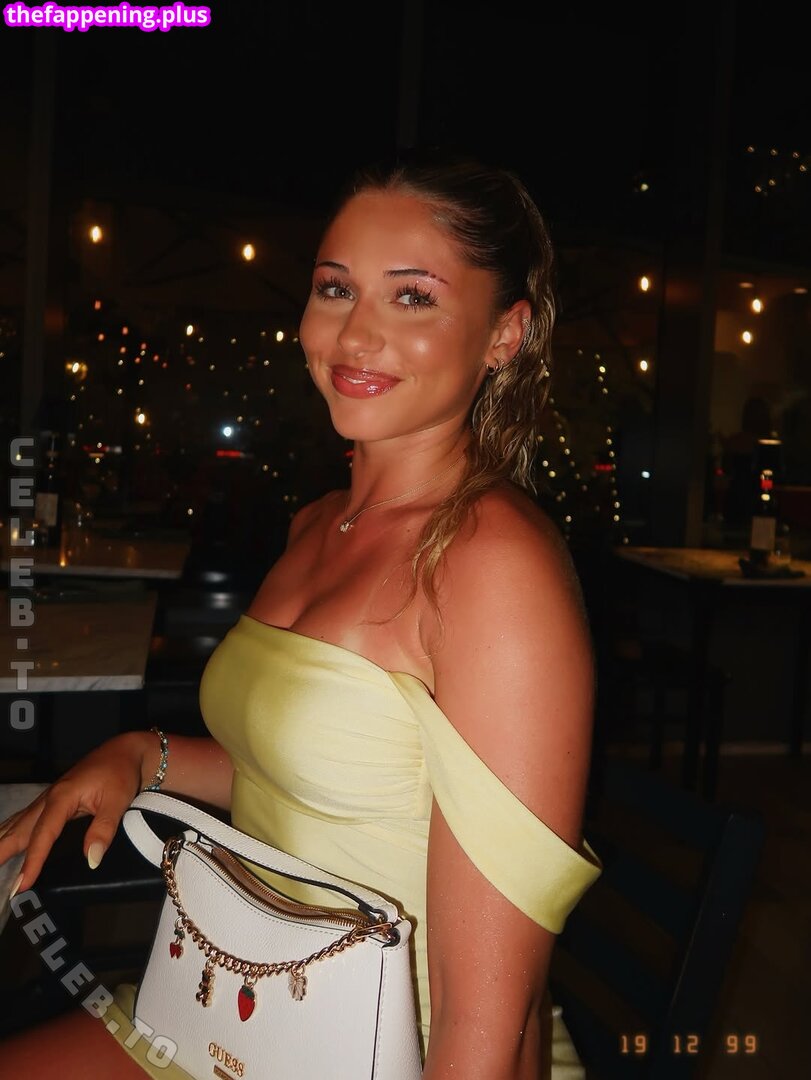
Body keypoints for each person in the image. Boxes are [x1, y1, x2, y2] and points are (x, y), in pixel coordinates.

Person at [0, 153, 602, 1079]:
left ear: (503, 334)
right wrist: (141, 755)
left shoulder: (492, 566)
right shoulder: (320, 524)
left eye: (412, 297)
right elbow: (315, 780)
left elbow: (487, 1017)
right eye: (335, 288)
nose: (355, 333)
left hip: (391, 1051)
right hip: (245, 1002)